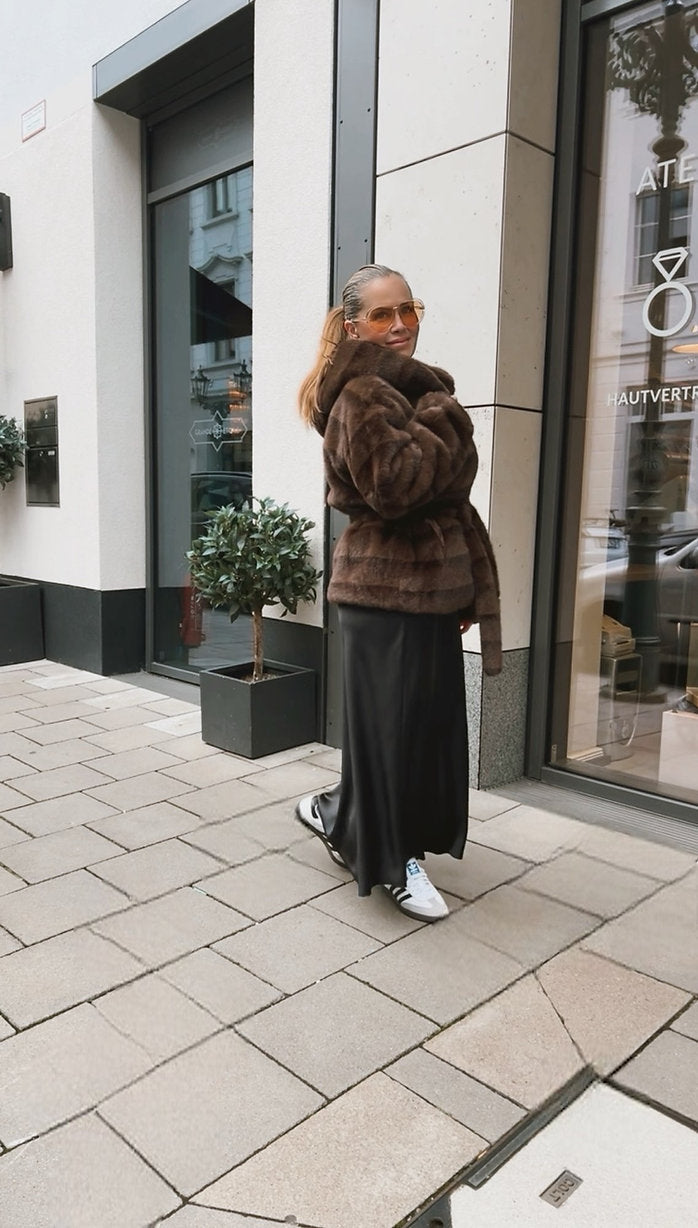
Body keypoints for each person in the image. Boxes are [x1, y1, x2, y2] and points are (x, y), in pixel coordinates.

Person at [295, 263, 501, 922]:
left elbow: (437, 492)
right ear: (354, 326)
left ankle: (335, 812)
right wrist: (445, 415)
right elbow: (396, 486)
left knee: (415, 729)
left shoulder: (409, 391)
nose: (400, 324)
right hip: (382, 593)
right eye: (382, 314)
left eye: (408, 309)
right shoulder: (364, 392)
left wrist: (458, 589)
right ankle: (393, 862)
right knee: (394, 733)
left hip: (425, 589)